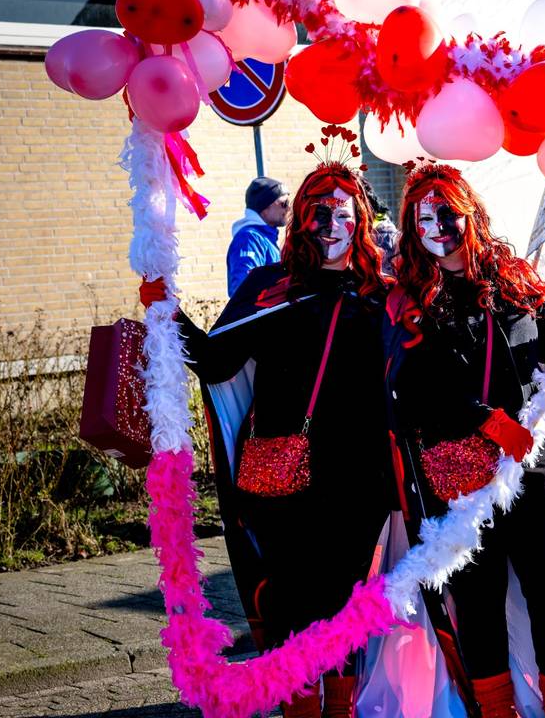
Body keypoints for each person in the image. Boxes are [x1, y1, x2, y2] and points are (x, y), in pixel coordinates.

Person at [142, 162, 392, 717]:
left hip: (359, 481)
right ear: (300, 220)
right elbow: (216, 360)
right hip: (281, 478)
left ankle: (341, 710)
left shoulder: (381, 295)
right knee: (288, 605)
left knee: (344, 608)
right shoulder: (268, 288)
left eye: (343, 215)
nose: (331, 226)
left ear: (361, 222)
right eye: (319, 214)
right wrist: (166, 310)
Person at [385, 164, 545, 718]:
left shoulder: (515, 278)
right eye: (424, 218)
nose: (438, 227)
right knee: (478, 605)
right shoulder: (407, 299)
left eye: (447, 213)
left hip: (534, 460)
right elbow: (406, 388)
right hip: (459, 474)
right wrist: (484, 420)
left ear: (470, 214)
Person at [227, 176, 290, 296]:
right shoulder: (249, 239)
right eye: (284, 203)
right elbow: (243, 290)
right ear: (265, 207)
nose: (288, 208)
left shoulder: (265, 238)